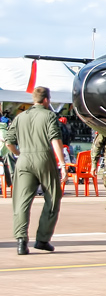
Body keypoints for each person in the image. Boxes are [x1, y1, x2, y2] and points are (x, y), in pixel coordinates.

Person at [4, 86, 66, 255]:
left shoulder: (20, 117)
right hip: (44, 158)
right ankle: (42, 239)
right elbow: (55, 139)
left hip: (24, 159)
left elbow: (8, 142)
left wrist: (19, 154)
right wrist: (62, 164)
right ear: (46, 100)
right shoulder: (49, 115)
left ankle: (21, 242)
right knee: (52, 199)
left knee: (21, 202)